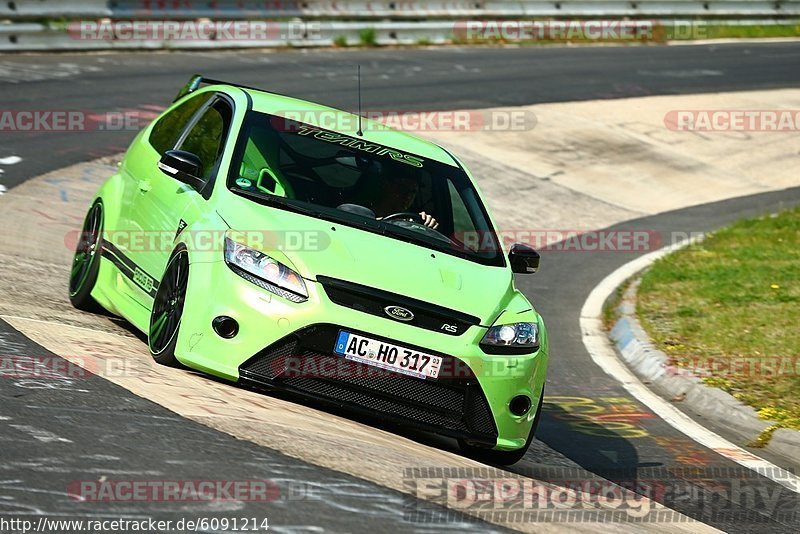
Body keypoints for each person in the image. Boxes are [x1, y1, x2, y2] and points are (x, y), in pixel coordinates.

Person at [353, 162, 439, 229]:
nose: (408, 196)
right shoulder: (360, 211)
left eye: (412, 192)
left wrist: (426, 224)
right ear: (386, 185)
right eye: (403, 189)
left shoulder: (412, 222)